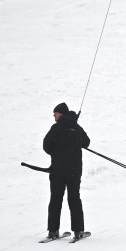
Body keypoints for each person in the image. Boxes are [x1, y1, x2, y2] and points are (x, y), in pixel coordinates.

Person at [42, 102, 90, 241]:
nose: (54, 116)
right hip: (74, 171)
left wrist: (56, 153)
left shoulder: (56, 128)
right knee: (74, 198)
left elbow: (46, 146)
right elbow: (86, 143)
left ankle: (53, 231)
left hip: (57, 170)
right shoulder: (77, 127)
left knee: (55, 199)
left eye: (55, 114)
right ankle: (78, 231)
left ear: (61, 114)